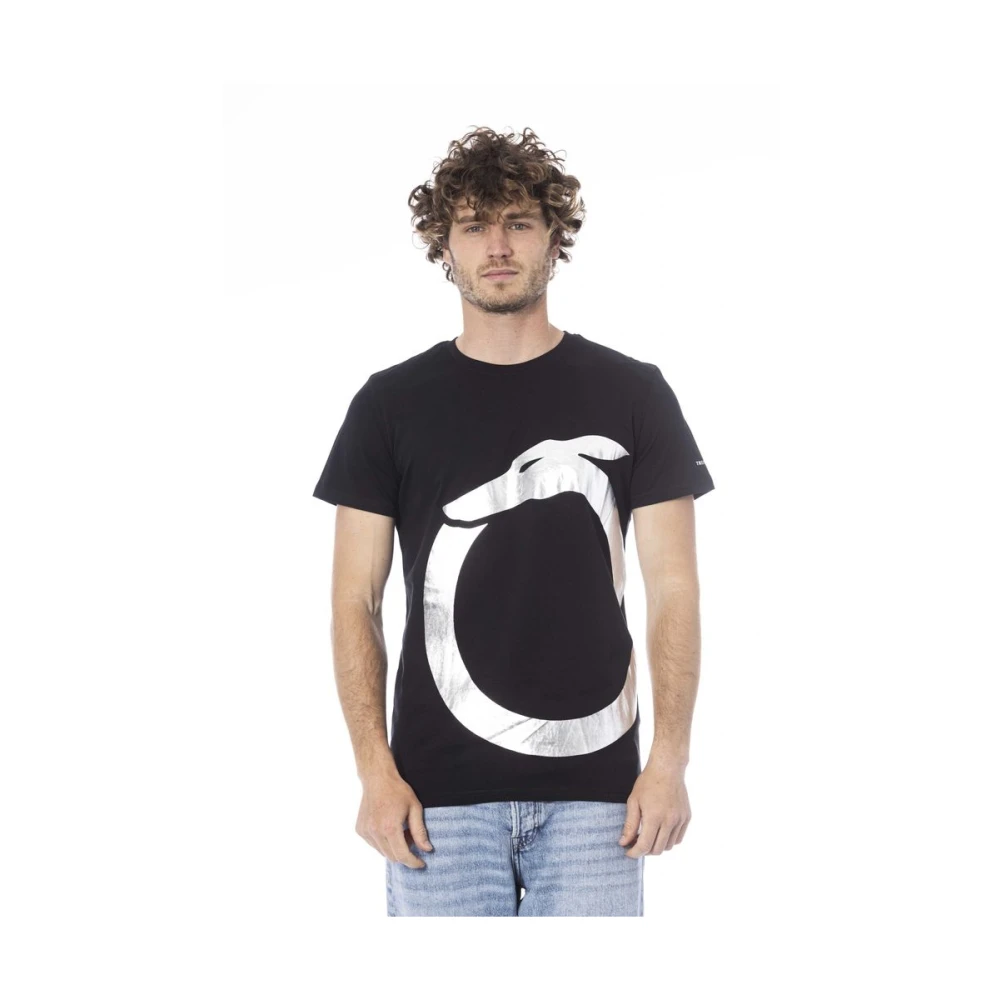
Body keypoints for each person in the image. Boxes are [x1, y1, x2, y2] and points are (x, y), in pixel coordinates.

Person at [312, 126, 715, 916]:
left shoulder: (634, 393)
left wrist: (669, 763)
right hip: (432, 802)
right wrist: (374, 773)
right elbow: (353, 599)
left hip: (599, 799)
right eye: (474, 226)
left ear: (554, 238)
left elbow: (674, 589)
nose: (497, 246)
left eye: (519, 223)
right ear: (445, 246)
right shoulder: (389, 405)